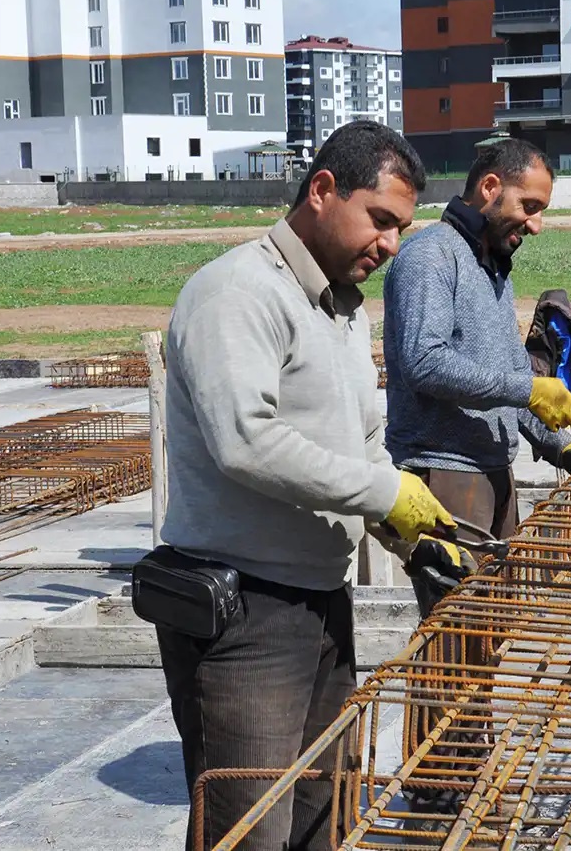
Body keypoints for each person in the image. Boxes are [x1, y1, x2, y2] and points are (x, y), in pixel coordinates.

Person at [156, 120, 457, 851]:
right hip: (246, 615)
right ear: (323, 190)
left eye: (401, 228)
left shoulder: (341, 306)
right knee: (249, 829)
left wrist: (397, 518)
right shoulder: (238, 292)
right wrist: (380, 492)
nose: (389, 245)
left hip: (320, 602)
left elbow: (353, 435)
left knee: (324, 816)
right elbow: (245, 442)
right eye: (380, 219)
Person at [383, 137, 571, 612]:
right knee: (455, 648)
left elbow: (512, 375)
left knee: (489, 639)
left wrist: (561, 445)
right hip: (445, 478)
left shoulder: (494, 268)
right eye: (530, 205)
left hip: (494, 477)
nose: (536, 225)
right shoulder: (430, 257)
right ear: (491, 187)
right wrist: (527, 388)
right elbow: (424, 360)